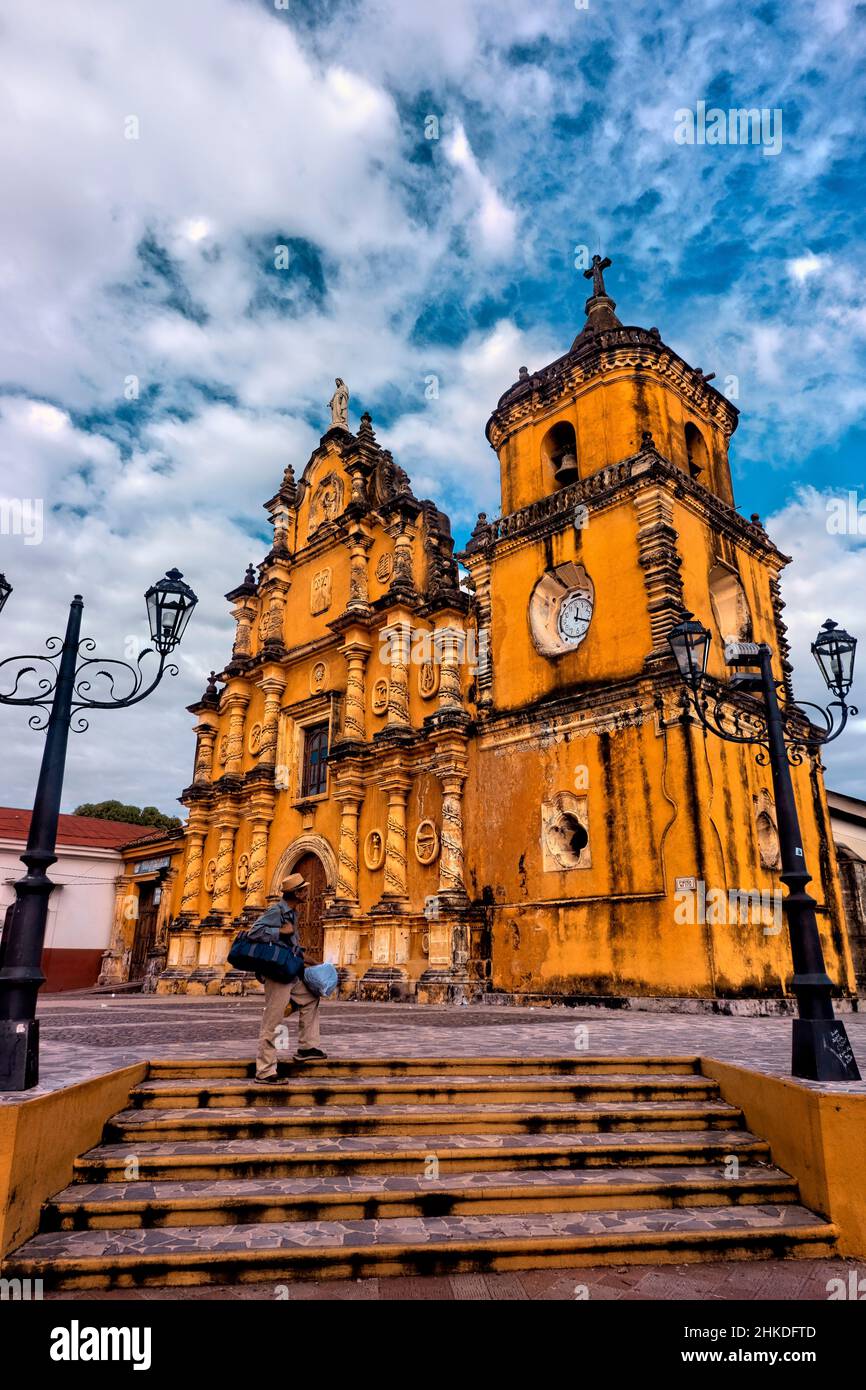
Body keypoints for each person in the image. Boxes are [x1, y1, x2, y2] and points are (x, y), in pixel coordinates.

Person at [251, 873, 327, 1082]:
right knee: (273, 1020)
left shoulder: (292, 914)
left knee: (311, 996)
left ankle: (307, 1047)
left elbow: (291, 946)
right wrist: (279, 931)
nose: (306, 893)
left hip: (289, 970)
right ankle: (265, 1071)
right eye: (303, 890)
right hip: (276, 973)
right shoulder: (277, 911)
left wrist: (311, 961)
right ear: (296, 893)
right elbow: (254, 932)